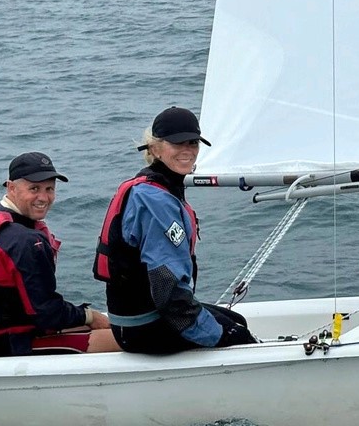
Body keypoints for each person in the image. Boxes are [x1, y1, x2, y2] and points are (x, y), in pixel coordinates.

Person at [94, 106, 255, 353]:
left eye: (193, 142)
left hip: (135, 319)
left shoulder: (154, 186)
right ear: (155, 148)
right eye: (177, 143)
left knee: (236, 322)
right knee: (238, 337)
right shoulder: (155, 200)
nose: (187, 150)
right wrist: (217, 334)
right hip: (144, 327)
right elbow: (167, 289)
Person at [0, 152, 119, 358]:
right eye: (34, 189)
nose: (43, 198)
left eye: (49, 189)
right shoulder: (24, 241)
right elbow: (47, 313)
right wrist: (90, 316)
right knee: (122, 338)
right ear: (11, 188)